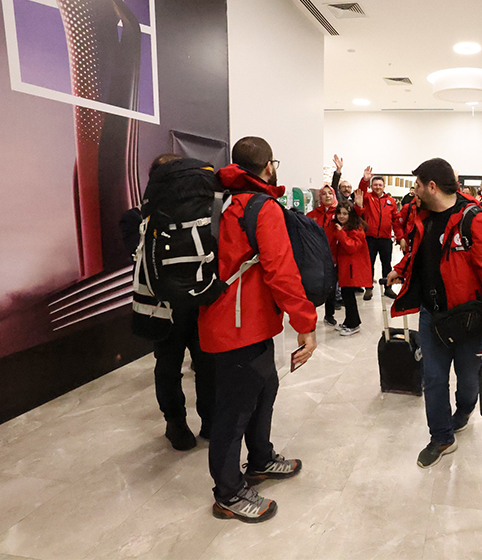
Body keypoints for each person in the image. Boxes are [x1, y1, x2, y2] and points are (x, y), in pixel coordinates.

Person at [199, 136, 318, 523]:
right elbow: (281, 272)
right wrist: (305, 323)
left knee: (265, 389)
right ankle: (228, 493)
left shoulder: (222, 201)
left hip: (233, 321)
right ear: (269, 167)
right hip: (239, 327)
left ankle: (261, 459)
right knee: (234, 411)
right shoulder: (261, 207)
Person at [386, 158, 482, 469]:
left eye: (417, 185)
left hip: (467, 319)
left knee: (468, 381)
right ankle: (441, 437)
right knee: (433, 378)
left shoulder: (474, 220)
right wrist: (400, 269)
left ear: (432, 186)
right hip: (432, 316)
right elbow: (419, 253)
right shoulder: (423, 216)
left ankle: (464, 410)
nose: (413, 191)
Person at [119, 153, 215, 451]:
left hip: (189, 304)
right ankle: (176, 422)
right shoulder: (138, 217)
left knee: (201, 365)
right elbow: (138, 255)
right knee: (172, 367)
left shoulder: (199, 211)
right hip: (166, 306)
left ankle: (205, 420)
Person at [356, 166, 405, 300]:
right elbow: (361, 190)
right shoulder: (367, 198)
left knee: (386, 264)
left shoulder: (391, 201)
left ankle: (388, 288)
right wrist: (365, 180)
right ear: (372, 186)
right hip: (370, 238)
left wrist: (400, 237)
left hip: (385, 238)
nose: (377, 187)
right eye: (375, 185)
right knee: (369, 264)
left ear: (384, 187)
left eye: (380, 185)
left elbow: (396, 221)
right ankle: (368, 288)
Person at [331, 201, 371, 335]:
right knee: (346, 294)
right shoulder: (345, 226)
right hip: (346, 266)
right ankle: (349, 321)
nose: (341, 216)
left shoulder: (356, 228)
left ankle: (354, 323)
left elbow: (351, 247)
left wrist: (340, 233)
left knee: (349, 296)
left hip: (352, 268)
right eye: (339, 213)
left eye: (345, 213)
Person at [307, 184, 339, 326]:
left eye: (330, 193)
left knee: (331, 287)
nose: (327, 196)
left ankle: (329, 314)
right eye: (324, 194)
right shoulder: (311, 215)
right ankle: (310, 314)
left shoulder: (339, 214)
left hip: (333, 256)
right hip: (316, 258)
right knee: (313, 286)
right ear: (319, 197)